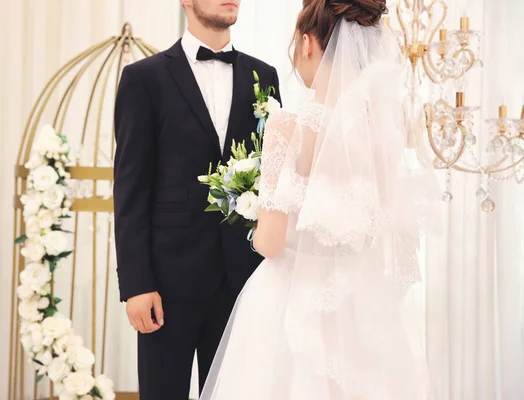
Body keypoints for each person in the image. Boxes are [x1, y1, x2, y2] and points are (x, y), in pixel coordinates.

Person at [199, 0, 441, 399]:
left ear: (308, 43)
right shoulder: (381, 133)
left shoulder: (287, 126)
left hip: (290, 302)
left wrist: (255, 214)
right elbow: (387, 232)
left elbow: (271, 243)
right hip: (361, 306)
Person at [113, 0, 281, 399]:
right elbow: (130, 188)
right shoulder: (143, 79)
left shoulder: (265, 76)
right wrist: (136, 284)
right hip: (166, 286)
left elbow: (275, 178)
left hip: (244, 281)